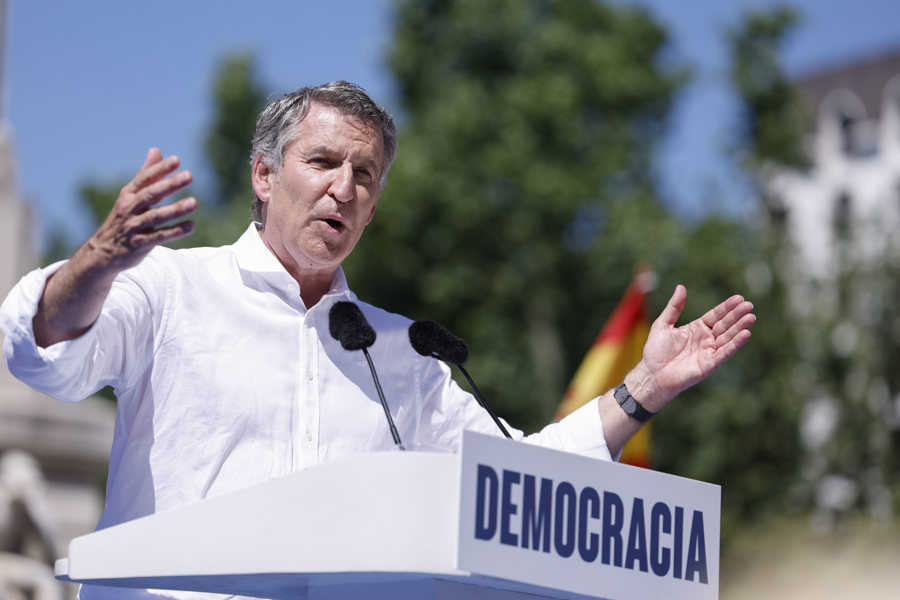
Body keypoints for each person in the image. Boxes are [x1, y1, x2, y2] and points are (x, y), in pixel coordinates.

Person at [0, 81, 755, 599]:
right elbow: (39, 353)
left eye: (365, 174)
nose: (344, 187)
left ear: (375, 204)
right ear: (263, 175)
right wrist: (99, 258)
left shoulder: (401, 350)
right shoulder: (170, 288)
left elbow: (521, 483)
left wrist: (643, 390)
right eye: (322, 162)